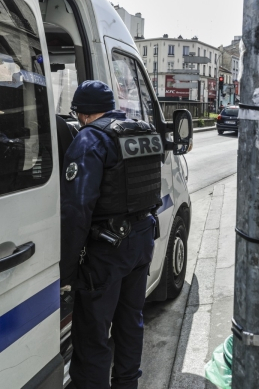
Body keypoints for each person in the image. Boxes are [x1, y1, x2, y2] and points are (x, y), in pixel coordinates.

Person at [60, 80, 163, 388]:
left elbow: (77, 210)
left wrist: (67, 271)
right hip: (143, 238)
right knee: (130, 322)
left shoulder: (90, 139)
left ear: (82, 112)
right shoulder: (141, 130)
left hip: (107, 250)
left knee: (92, 332)